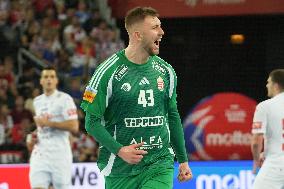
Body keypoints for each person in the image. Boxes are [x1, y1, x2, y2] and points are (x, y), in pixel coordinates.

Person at [81, 7, 192, 189]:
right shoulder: (107, 72)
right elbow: (91, 122)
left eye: (160, 26)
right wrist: (120, 150)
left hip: (159, 163)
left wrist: (183, 159)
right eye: (155, 27)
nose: (162, 32)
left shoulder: (166, 71)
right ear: (138, 35)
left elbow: (172, 115)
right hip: (120, 169)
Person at [27, 67, 79, 189]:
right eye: (45, 77)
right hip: (40, 154)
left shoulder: (65, 99)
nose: (49, 79)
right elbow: (40, 127)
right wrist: (32, 136)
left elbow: (74, 126)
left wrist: (49, 123)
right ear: (41, 81)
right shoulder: (37, 101)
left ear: (56, 81)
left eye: (52, 77)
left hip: (60, 155)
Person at [251, 69, 284, 189]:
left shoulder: (265, 106)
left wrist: (256, 160)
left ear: (275, 85)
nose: (266, 85)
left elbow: (256, 141)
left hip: (276, 164)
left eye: (268, 82)